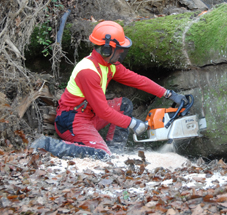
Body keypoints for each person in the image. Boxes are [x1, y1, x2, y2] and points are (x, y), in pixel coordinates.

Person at [35, 21, 187, 158]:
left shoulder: (109, 65)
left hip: (89, 115)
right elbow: (103, 112)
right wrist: (132, 123)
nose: (121, 52)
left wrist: (168, 94)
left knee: (124, 105)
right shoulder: (88, 71)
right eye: (119, 49)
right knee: (101, 155)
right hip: (72, 120)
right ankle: (49, 145)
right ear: (107, 50)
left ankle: (116, 151)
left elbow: (138, 80)